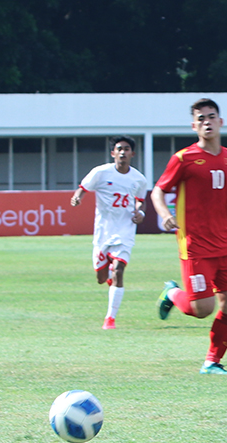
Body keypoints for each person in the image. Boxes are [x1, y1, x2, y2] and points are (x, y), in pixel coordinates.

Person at [151, 98, 227, 375]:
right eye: (201, 118)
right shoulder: (183, 159)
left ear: (221, 122)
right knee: (202, 308)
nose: (207, 122)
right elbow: (158, 191)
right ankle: (172, 292)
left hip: (225, 242)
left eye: (211, 117)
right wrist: (163, 214)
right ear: (194, 126)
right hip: (194, 244)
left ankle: (212, 362)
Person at [71, 135, 148, 330]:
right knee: (100, 278)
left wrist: (140, 212)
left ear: (133, 154)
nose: (123, 152)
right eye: (119, 149)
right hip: (103, 232)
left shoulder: (138, 179)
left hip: (125, 231)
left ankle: (110, 319)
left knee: (120, 271)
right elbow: (83, 188)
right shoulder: (101, 172)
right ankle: (111, 281)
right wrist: (77, 197)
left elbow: (141, 200)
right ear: (113, 153)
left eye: (127, 149)